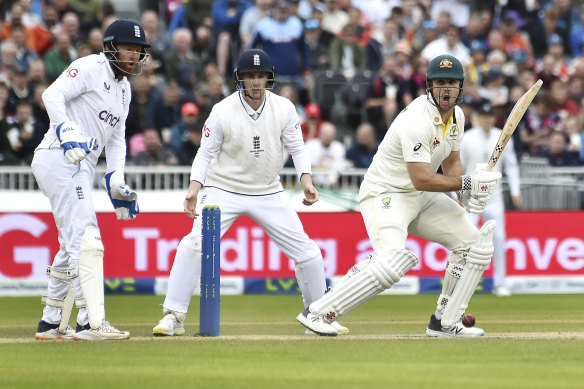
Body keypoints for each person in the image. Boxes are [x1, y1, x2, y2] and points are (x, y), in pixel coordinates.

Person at [297, 54, 502, 337]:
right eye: (440, 83)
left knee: (474, 246)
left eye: (452, 83)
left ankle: (444, 321)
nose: (446, 90)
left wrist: (464, 194)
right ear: (429, 86)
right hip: (386, 193)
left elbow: (452, 162)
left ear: (460, 87)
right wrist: (467, 183)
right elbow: (421, 177)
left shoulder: (458, 116)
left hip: (419, 195)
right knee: (392, 262)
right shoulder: (418, 120)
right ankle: (318, 312)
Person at [152, 49, 349, 337]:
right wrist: (194, 189)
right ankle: (173, 316)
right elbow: (205, 154)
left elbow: (297, 148)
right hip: (224, 189)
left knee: (308, 254)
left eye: (260, 76)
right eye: (249, 77)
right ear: (240, 80)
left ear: (269, 78)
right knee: (193, 245)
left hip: (269, 190)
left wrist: (306, 181)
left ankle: (318, 315)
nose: (255, 82)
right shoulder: (221, 110)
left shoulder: (284, 107)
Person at [32, 19, 150, 341]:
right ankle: (90, 322)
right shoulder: (89, 67)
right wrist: (66, 129)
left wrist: (115, 180)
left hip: (77, 164)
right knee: (87, 238)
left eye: (139, 51)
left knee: (71, 243)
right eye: (130, 49)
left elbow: (117, 140)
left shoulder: (124, 90)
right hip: (61, 155)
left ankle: (51, 320)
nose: (135, 56)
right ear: (111, 47)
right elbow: (51, 95)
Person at [460, 102, 522, 297]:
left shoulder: (502, 138)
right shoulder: (467, 138)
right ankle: (460, 283)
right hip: (471, 198)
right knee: (465, 239)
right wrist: (457, 193)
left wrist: (515, 191)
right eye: (483, 116)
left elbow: (511, 166)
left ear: (493, 118)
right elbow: (459, 167)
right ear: (478, 118)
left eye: (489, 116)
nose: (486, 120)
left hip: (494, 197)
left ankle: (500, 283)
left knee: (499, 239)